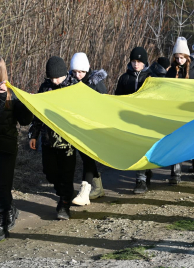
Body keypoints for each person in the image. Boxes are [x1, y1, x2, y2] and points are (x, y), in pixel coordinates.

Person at [0, 55, 32, 241]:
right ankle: (10, 209)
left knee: (1, 186)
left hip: (7, 147)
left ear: (2, 71)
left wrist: (29, 105)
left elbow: (25, 120)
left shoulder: (11, 94)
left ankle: (1, 226)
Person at [29, 56, 78, 219]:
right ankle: (66, 192)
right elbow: (38, 113)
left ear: (64, 74)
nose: (55, 81)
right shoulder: (45, 87)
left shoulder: (75, 87)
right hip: (48, 140)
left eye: (58, 77)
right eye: (52, 78)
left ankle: (64, 204)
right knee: (49, 172)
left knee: (66, 174)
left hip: (69, 143)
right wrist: (33, 135)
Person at [166, 37, 194, 181]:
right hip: (176, 111)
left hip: (193, 111)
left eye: (182, 58)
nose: (179, 61)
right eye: (176, 58)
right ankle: (175, 172)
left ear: (187, 56)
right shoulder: (171, 72)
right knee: (176, 140)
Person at [70, 53, 108, 206]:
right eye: (75, 72)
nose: (78, 75)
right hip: (77, 126)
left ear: (87, 70)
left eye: (81, 72)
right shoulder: (70, 82)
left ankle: (85, 191)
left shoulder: (96, 83)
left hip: (92, 127)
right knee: (86, 157)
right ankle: (98, 188)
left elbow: (105, 105)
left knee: (87, 157)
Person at [115, 47, 154, 194]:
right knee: (136, 148)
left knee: (145, 147)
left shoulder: (151, 78)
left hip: (146, 119)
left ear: (144, 62)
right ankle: (141, 177)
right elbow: (117, 98)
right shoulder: (125, 78)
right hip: (130, 119)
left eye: (139, 61)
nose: (136, 64)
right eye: (133, 61)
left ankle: (143, 176)